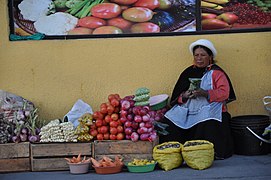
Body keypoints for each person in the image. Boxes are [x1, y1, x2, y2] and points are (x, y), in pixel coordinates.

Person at [160, 39, 236, 159]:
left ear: (210, 57)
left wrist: (205, 93)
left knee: (207, 120)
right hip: (189, 108)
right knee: (170, 120)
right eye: (196, 55)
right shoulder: (188, 72)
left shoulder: (217, 73)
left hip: (211, 108)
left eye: (203, 55)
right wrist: (184, 96)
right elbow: (177, 96)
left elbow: (224, 93)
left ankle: (206, 153)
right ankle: (176, 153)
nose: (199, 58)